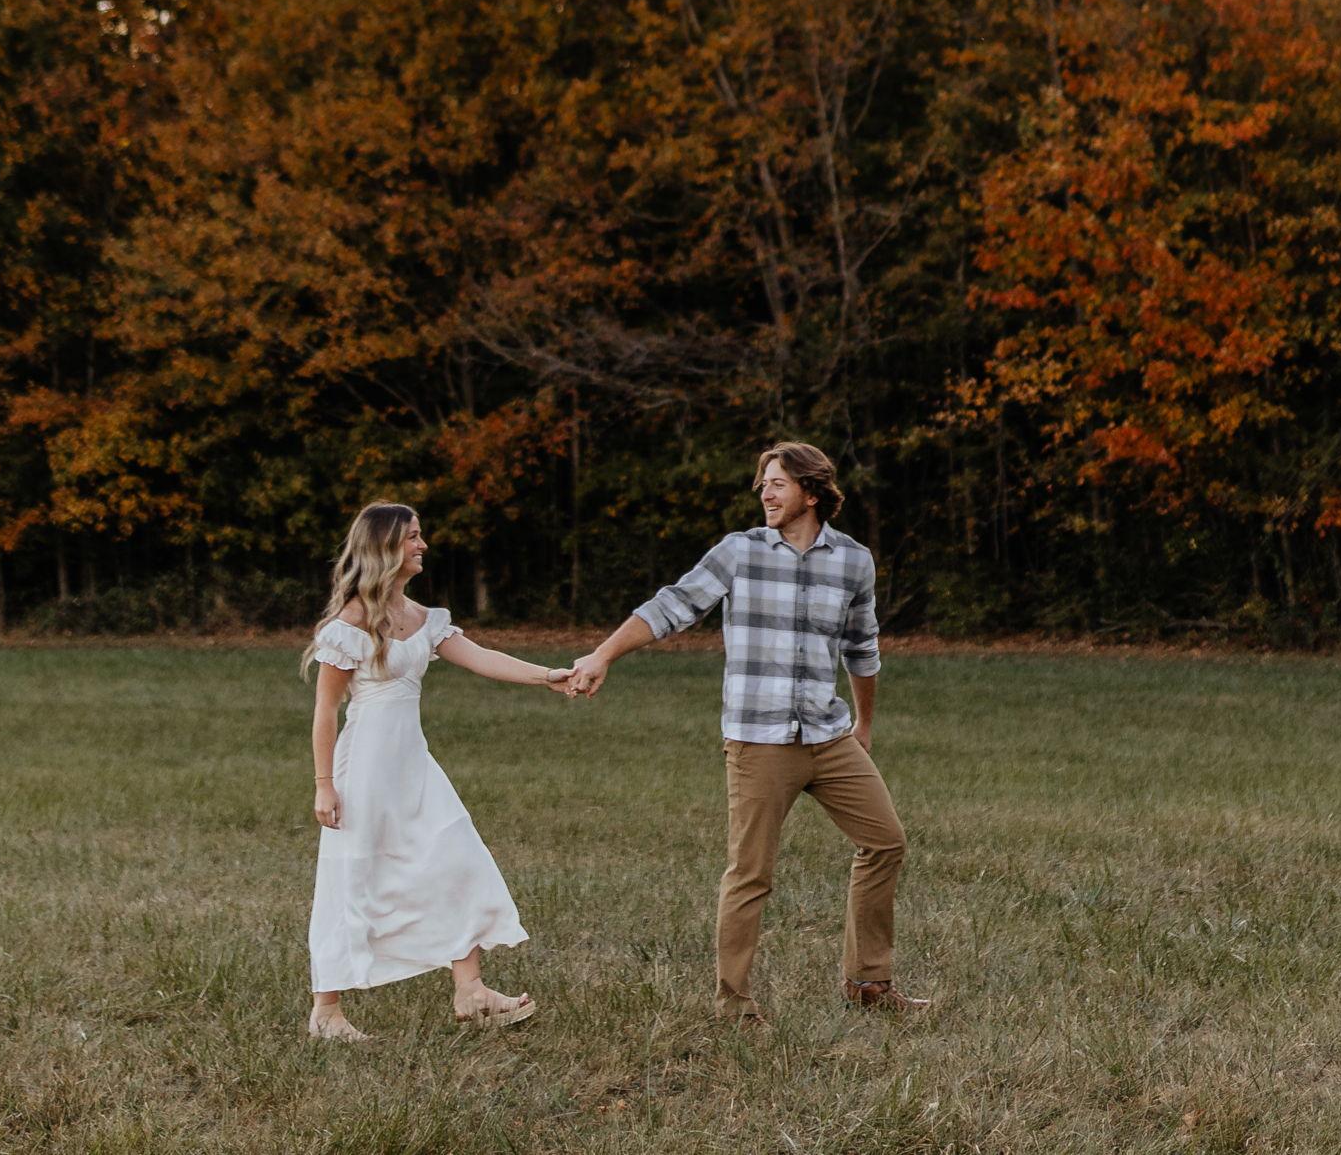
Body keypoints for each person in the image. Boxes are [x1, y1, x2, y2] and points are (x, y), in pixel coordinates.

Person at [567, 443, 928, 1025]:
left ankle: (868, 981)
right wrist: (603, 654)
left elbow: (862, 646)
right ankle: (734, 1004)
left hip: (828, 735)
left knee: (886, 842)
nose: (765, 492)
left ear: (812, 492)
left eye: (778, 483)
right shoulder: (740, 552)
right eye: (764, 483)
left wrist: (863, 724)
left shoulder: (853, 561)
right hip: (760, 741)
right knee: (751, 873)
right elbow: (670, 607)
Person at [303, 501, 572, 1042]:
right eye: (412, 537)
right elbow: (326, 711)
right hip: (364, 772)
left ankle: (470, 990)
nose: (422, 545)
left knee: (457, 858)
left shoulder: (425, 620)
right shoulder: (349, 625)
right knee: (353, 879)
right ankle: (326, 1011)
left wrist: (548, 675)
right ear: (385, 547)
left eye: (420, 535)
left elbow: (483, 657)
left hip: (414, 767)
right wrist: (324, 785)